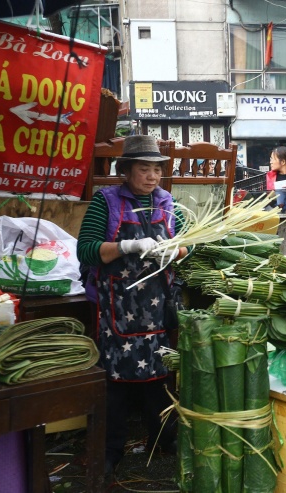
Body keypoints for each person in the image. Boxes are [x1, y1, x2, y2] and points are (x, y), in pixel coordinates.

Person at [77, 135, 188, 476]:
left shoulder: (167, 202)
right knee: (115, 381)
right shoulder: (106, 201)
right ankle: (110, 451)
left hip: (157, 307)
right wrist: (126, 245)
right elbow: (87, 249)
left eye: (157, 169)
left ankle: (163, 440)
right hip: (118, 308)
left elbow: (188, 245)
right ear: (125, 170)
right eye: (144, 169)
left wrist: (176, 251)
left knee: (158, 376)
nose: (152, 176)